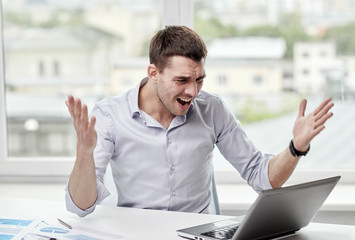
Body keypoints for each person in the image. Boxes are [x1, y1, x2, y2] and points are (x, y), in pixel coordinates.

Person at [64, 26, 334, 217]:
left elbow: (261, 176)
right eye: (181, 80)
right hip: (137, 232)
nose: (193, 91)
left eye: (199, 79)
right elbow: (80, 207)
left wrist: (296, 147)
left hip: (198, 234)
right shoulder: (110, 116)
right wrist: (84, 154)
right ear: (153, 73)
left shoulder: (212, 109)